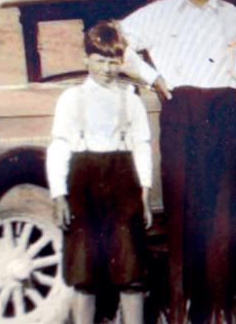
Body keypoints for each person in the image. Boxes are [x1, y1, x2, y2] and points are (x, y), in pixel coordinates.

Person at [119, 0, 236, 323]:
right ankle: (181, 312)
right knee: (183, 218)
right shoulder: (159, 13)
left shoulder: (232, 16)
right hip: (181, 114)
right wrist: (151, 77)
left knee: (224, 218)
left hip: (224, 114)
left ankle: (225, 311)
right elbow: (116, 40)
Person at [46, 21, 153, 324]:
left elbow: (142, 147)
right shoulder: (71, 99)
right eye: (100, 60)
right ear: (87, 59)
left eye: (113, 61)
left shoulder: (131, 101)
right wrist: (58, 194)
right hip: (83, 187)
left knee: (130, 272)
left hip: (124, 186)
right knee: (85, 275)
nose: (107, 68)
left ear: (122, 61)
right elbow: (59, 147)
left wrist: (144, 193)